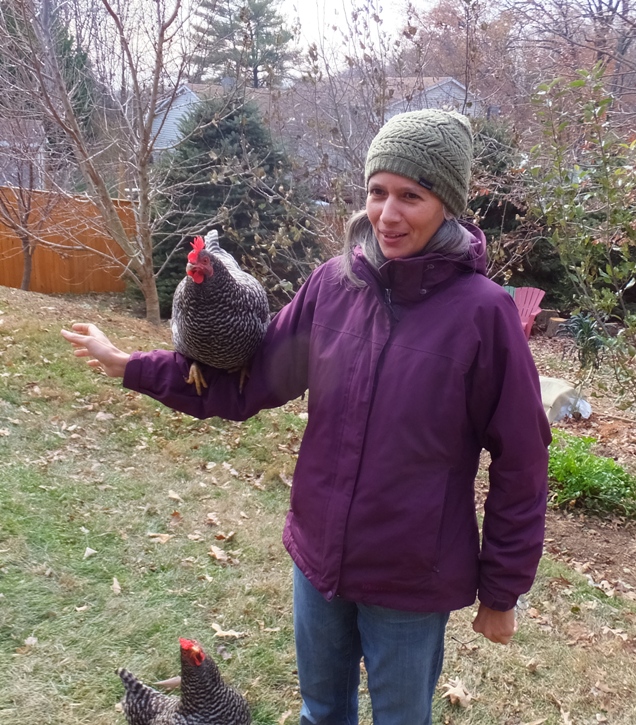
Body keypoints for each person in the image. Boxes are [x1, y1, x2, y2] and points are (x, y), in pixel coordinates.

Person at [62, 109, 551, 725]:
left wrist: (501, 591)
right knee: (321, 713)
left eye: (412, 196)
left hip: (409, 577)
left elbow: (523, 463)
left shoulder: (484, 315)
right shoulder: (332, 284)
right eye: (378, 192)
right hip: (318, 560)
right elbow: (245, 382)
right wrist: (128, 364)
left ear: (446, 204)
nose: (388, 215)